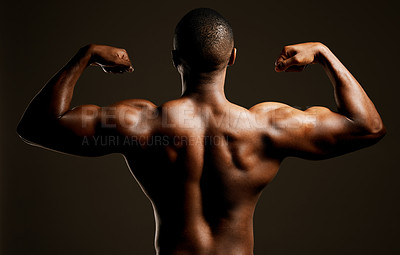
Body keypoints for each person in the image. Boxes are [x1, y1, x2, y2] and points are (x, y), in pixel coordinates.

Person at [17, 7, 385, 255]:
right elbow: (368, 126)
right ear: (234, 57)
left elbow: (37, 126)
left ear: (176, 59)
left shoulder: (140, 124)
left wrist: (85, 55)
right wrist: (322, 53)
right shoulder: (266, 127)